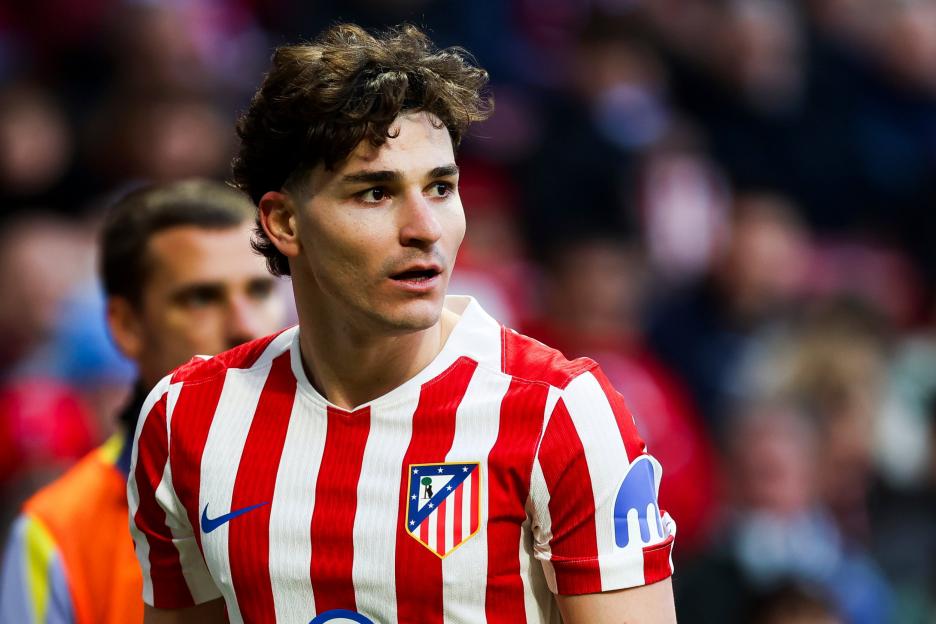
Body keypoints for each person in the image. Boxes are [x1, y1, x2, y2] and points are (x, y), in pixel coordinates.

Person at [129, 24, 677, 624]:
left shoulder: (559, 412)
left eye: (441, 187)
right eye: (375, 193)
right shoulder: (189, 417)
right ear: (284, 223)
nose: (425, 228)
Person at [0, 179, 287, 624]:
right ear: (127, 325)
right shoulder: (61, 531)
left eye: (259, 291)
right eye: (202, 297)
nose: (246, 327)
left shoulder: (374, 460)